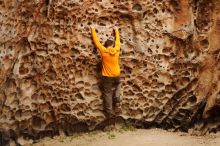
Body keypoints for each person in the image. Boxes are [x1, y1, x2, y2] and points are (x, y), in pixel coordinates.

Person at [91, 26, 121, 118]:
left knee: (107, 93)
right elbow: (118, 41)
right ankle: (117, 97)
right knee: (118, 84)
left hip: (107, 76)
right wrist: (116, 30)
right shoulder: (116, 50)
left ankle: (110, 114)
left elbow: (96, 42)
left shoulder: (104, 51)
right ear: (112, 45)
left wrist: (93, 29)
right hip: (116, 74)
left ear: (106, 45)